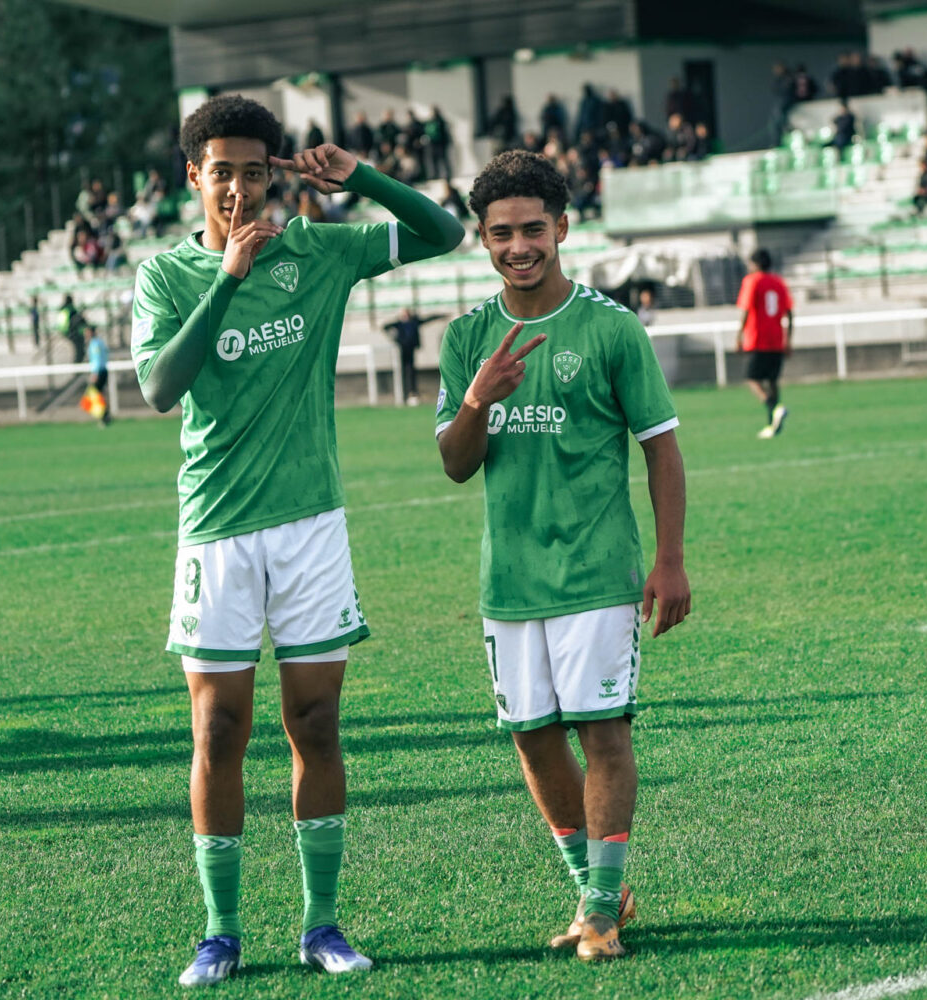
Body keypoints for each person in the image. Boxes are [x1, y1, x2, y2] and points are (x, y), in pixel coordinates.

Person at [129, 94, 464, 987]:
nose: (237, 187)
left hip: (311, 526)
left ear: (274, 172)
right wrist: (230, 277)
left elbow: (443, 234)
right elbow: (162, 388)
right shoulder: (165, 277)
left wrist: (363, 177)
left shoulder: (318, 252)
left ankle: (322, 924)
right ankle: (220, 931)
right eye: (220, 171)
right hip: (217, 533)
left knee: (315, 722)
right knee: (218, 731)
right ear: (193, 176)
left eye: (253, 169)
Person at [434, 149, 689, 963]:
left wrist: (671, 560)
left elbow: (662, 449)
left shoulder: (610, 329)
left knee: (601, 729)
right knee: (534, 737)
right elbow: (454, 461)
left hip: (596, 571)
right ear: (482, 239)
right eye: (501, 233)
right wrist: (477, 399)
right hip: (508, 580)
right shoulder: (467, 336)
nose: (519, 246)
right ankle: (599, 887)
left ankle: (600, 909)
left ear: (562, 229)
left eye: (533, 229)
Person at [734, 248, 794, 439]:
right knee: (772, 380)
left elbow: (745, 310)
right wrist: (788, 340)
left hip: (757, 339)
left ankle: (773, 407)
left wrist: (739, 335)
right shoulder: (779, 282)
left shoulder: (752, 281)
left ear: (755, 264)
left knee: (752, 379)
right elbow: (790, 314)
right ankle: (772, 424)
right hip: (777, 339)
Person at [381, 307, 443, 405]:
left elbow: (428, 319)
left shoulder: (414, 322)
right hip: (402, 350)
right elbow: (385, 327)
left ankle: (412, 393)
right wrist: (395, 338)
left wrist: (441, 316)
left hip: (411, 349)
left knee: (411, 372)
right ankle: (404, 394)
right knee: (403, 372)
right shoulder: (398, 324)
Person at [85, 325, 112, 426]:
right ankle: (105, 416)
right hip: (103, 370)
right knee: (98, 394)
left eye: (87, 332)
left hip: (99, 372)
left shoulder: (95, 344)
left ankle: (104, 416)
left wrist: (95, 373)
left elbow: (97, 359)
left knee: (93, 395)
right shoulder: (99, 342)